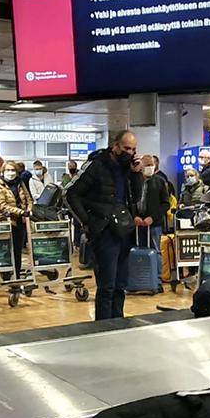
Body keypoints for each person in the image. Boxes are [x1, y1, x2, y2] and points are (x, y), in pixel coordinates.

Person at [66, 129, 141, 320]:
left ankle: (118, 322)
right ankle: (103, 326)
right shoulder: (97, 165)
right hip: (104, 230)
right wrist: (87, 221)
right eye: (126, 148)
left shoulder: (128, 169)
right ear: (115, 146)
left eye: (133, 149)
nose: (130, 153)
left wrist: (136, 174)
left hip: (124, 229)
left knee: (120, 284)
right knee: (107, 285)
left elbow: (137, 197)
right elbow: (71, 194)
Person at [0, 159, 35, 277]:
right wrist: (20, 212)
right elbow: (2, 205)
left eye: (13, 170)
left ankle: (17, 275)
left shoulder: (20, 183)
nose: (10, 172)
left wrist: (29, 210)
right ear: (3, 171)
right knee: (7, 251)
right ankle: (7, 275)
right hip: (7, 222)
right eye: (8, 170)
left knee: (17, 251)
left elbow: (28, 199)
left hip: (22, 222)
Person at [136, 154, 172, 243]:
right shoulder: (135, 180)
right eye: (147, 165)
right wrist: (134, 216)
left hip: (155, 224)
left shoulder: (160, 181)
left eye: (152, 165)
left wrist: (152, 218)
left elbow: (166, 204)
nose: (150, 167)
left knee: (156, 252)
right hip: (137, 223)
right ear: (141, 166)